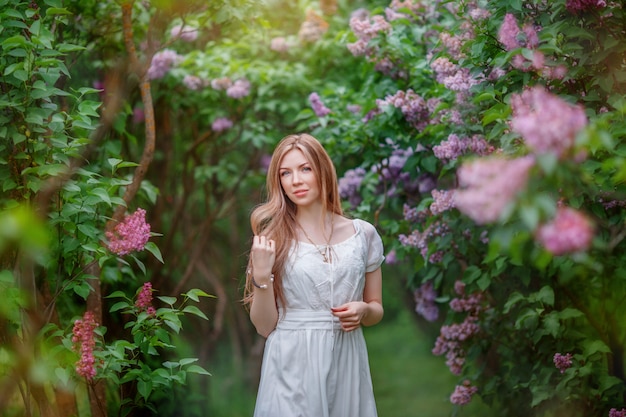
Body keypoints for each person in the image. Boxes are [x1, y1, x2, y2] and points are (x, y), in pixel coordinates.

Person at [244, 133, 385, 417]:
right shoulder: (272, 239)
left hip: (346, 358)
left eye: (305, 168)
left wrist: (363, 310)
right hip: (290, 363)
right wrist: (261, 274)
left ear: (322, 170)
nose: (295, 180)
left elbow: (376, 308)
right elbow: (263, 326)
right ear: (279, 181)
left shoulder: (363, 234)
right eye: (286, 173)